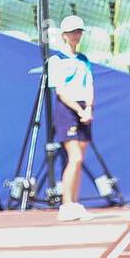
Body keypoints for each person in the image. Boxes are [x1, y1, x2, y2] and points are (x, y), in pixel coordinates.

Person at [48, 15, 96, 223]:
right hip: (67, 110)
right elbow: (61, 91)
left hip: (84, 110)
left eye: (78, 32)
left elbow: (89, 86)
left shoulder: (84, 59)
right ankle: (66, 205)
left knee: (79, 159)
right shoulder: (56, 60)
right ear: (64, 35)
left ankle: (75, 203)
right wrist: (79, 110)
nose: (76, 36)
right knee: (74, 157)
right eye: (72, 32)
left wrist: (89, 109)